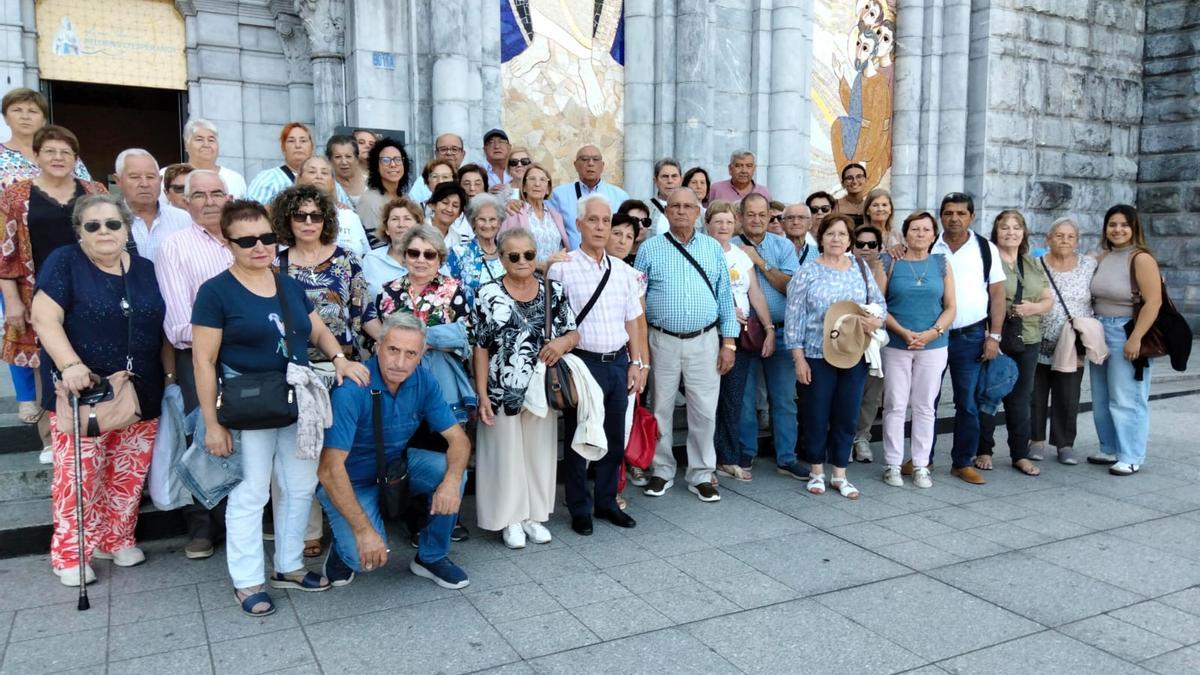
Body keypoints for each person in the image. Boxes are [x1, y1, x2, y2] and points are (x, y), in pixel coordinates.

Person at [192, 199, 369, 617]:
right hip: (247, 404)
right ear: (228, 242)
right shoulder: (215, 291)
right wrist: (212, 424)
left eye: (267, 237)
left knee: (299, 485)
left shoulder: (287, 284)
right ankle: (247, 579)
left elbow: (318, 328)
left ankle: (288, 566)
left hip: (296, 400)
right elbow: (203, 361)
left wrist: (340, 358)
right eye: (247, 240)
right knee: (251, 493)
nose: (260, 247)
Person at [30, 194, 168, 584]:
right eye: (93, 225)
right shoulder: (65, 262)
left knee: (128, 471)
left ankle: (116, 537)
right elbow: (44, 317)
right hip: (84, 390)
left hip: (140, 388)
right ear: (80, 232)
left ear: (126, 228)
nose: (104, 232)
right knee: (79, 476)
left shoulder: (144, 268)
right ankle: (71, 553)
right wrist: (70, 364)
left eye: (112, 224)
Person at [317, 313, 472, 589]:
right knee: (362, 559)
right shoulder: (353, 388)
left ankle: (431, 557)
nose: (400, 363)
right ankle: (343, 550)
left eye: (410, 353)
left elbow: (458, 440)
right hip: (350, 480)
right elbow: (329, 469)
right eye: (393, 350)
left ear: (422, 354)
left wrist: (450, 483)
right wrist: (364, 532)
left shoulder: (424, 380)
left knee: (454, 474)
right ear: (377, 346)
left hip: (394, 468)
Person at [0, 125, 107, 461]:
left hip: (89, 287)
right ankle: (51, 438)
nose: (58, 158)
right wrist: (13, 300)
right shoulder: (16, 195)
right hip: (36, 291)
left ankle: (97, 424)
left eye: (65, 152)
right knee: (43, 363)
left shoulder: (93, 189)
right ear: (37, 155)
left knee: (91, 353)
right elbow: (5, 250)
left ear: (76, 158)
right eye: (50, 151)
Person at [472, 227, 579, 548]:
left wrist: (561, 343)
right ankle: (510, 519)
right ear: (502, 258)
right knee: (503, 455)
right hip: (501, 387)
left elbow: (574, 333)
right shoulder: (487, 292)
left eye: (529, 255)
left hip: (542, 387)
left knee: (538, 453)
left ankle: (534, 516)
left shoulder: (554, 290)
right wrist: (481, 395)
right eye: (514, 256)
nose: (522, 261)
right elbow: (480, 346)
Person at [547, 194, 645, 535]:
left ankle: (606, 502)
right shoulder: (562, 267)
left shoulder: (622, 271)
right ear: (579, 225)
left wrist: (638, 363)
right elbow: (553, 320)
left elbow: (633, 320)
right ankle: (579, 507)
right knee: (578, 437)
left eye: (606, 220)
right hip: (582, 364)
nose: (601, 227)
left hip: (618, 363)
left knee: (614, 438)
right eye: (594, 220)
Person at [635, 187, 739, 502]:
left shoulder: (712, 248)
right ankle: (662, 471)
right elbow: (636, 302)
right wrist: (640, 347)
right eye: (675, 206)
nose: (681, 211)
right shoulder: (649, 249)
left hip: (705, 340)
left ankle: (701, 474)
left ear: (698, 212)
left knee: (705, 411)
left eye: (688, 206)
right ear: (666, 212)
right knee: (661, 408)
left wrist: (729, 343)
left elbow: (725, 296)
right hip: (661, 340)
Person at [154, 169, 234, 559]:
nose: (209, 201)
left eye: (217, 193)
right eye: (199, 195)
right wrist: (231, 331)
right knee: (203, 436)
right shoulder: (175, 246)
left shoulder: (245, 240)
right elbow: (178, 325)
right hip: (198, 356)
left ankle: (243, 516)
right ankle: (202, 525)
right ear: (185, 202)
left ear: (229, 197)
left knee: (249, 433)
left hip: (247, 358)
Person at [784, 214, 885, 500]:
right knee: (816, 414)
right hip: (816, 354)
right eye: (831, 234)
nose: (836, 239)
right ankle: (817, 470)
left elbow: (880, 304)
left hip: (853, 353)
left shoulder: (860, 268)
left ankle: (840, 472)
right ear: (821, 237)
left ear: (850, 239)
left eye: (842, 234)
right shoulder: (808, 271)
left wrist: (875, 321)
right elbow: (794, 318)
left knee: (846, 414)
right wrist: (798, 358)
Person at [923, 192, 1006, 485]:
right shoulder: (929, 244)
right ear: (941, 216)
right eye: (948, 213)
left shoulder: (986, 249)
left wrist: (994, 336)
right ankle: (923, 460)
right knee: (926, 400)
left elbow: (997, 294)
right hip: (933, 335)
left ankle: (962, 461)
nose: (954, 218)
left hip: (971, 335)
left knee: (967, 402)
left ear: (971, 216)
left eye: (960, 213)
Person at [880, 212, 955, 488]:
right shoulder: (890, 261)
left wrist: (931, 333)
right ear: (905, 233)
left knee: (925, 407)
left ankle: (921, 464)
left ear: (934, 235)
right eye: (915, 229)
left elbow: (950, 307)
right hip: (897, 343)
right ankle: (892, 463)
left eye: (926, 229)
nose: (920, 234)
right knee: (895, 405)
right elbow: (879, 304)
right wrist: (902, 331)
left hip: (933, 345)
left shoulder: (941, 263)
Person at [734, 193, 805, 479]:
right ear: (740, 216)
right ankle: (745, 453)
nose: (756, 219)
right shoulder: (729, 246)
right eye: (750, 214)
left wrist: (759, 262)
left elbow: (792, 288)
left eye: (762, 214)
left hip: (782, 329)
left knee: (784, 398)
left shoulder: (783, 246)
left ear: (769, 217)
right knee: (745, 398)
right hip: (743, 332)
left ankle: (786, 457)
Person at [702, 202, 775, 482]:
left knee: (733, 398)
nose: (723, 226)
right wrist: (724, 308)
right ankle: (704, 460)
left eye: (728, 222)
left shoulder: (741, 256)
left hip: (741, 335)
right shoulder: (700, 252)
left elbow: (755, 294)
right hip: (710, 334)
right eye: (717, 221)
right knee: (706, 400)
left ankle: (727, 458)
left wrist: (768, 328)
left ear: (736, 226)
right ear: (707, 224)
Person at [976, 210, 1051, 476]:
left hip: (1027, 338)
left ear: (1024, 232)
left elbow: (1047, 299)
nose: (1011, 232)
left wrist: (1034, 308)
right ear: (996, 232)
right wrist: (988, 335)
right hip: (995, 337)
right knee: (988, 394)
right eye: (1005, 227)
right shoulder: (986, 260)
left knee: (1020, 399)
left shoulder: (1032, 264)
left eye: (1016, 227)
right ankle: (983, 449)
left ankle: (1020, 453)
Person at [1088, 204, 1161, 476]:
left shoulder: (1140, 258)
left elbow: (1154, 303)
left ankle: (1131, 455)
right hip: (1099, 329)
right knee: (1102, 395)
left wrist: (1136, 338)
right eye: (1112, 224)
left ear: (1134, 228)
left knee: (1127, 396)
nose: (1117, 229)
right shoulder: (1104, 256)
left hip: (1126, 330)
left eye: (1124, 225)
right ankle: (1109, 447)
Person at [271, 184, 380, 365]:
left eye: (316, 216)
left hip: (344, 364)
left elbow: (365, 312)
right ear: (287, 220)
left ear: (325, 220)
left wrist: (388, 343)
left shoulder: (347, 259)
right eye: (299, 216)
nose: (308, 222)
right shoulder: (275, 265)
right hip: (294, 366)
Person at [1031, 217, 1097, 465]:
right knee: (1035, 393)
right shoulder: (1036, 264)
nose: (1064, 240)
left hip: (1072, 342)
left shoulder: (1089, 265)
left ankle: (1064, 444)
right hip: (1039, 337)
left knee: (1068, 394)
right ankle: (1035, 440)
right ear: (1048, 239)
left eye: (1070, 236)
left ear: (1077, 241)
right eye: (1059, 235)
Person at [849, 223, 890, 463]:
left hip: (877, 339)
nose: (865, 248)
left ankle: (862, 437)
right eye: (860, 244)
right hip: (851, 336)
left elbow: (884, 302)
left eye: (871, 244)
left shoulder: (886, 266)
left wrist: (878, 270)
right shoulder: (847, 268)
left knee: (872, 392)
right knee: (848, 392)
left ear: (879, 247)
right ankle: (844, 438)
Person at [0, 88, 91, 192]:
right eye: (17, 110)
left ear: (44, 120)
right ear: (5, 118)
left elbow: (89, 193)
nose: (25, 117)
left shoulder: (65, 155)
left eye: (33, 111)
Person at [247, 122, 350, 206]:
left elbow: (349, 214)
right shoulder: (267, 178)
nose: (298, 145)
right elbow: (251, 212)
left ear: (312, 147)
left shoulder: (329, 181)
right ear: (283, 148)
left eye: (303, 141)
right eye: (291, 141)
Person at [115, 149, 191, 263]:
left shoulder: (183, 220)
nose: (144, 184)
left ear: (160, 180)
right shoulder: (107, 221)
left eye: (151, 177)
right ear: (118, 181)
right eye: (135, 177)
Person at [547, 144, 630, 248]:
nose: (590, 163)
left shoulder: (620, 196)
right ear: (575, 165)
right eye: (584, 159)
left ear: (602, 165)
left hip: (608, 260)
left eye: (595, 159)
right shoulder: (558, 195)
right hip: (571, 259)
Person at [295, 156, 371, 258]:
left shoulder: (349, 216)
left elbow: (367, 255)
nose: (319, 176)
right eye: (312, 172)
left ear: (332, 182)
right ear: (300, 178)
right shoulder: (290, 215)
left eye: (325, 173)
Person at [502, 163, 571, 266]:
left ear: (548, 189)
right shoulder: (514, 212)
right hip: (528, 276)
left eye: (543, 180)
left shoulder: (555, 215)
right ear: (524, 187)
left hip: (557, 276)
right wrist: (541, 265)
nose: (537, 184)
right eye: (532, 179)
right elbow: (504, 251)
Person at [354, 137, 413, 249]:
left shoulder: (406, 198)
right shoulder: (369, 200)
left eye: (397, 159)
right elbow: (376, 244)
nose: (393, 165)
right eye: (386, 160)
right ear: (376, 166)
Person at [362, 197, 424, 299]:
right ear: (386, 229)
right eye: (395, 219)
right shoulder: (371, 260)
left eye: (407, 219)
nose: (401, 224)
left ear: (418, 226)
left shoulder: (431, 257)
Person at [448, 193, 507, 294]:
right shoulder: (458, 253)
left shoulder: (509, 253)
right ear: (473, 222)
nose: (487, 225)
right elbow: (448, 291)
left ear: (499, 222)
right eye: (482, 219)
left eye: (492, 219)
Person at [177, 118, 247, 199]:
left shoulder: (235, 179)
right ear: (186, 145)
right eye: (199, 139)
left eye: (211, 140)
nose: (206, 145)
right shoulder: (169, 175)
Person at [410, 134, 466, 204]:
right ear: (436, 154)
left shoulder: (468, 179)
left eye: (454, 149)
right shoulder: (422, 182)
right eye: (443, 149)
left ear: (463, 154)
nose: (449, 153)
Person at [427, 182, 472, 248]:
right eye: (445, 203)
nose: (449, 209)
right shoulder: (418, 230)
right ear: (433, 205)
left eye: (455, 205)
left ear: (459, 214)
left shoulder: (457, 240)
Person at [326, 134, 367, 206]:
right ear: (330, 160)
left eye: (348, 156)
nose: (344, 162)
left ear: (356, 159)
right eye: (338, 157)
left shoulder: (371, 184)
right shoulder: (327, 187)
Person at [647, 158, 682, 235]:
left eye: (674, 176)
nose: (670, 181)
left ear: (681, 180)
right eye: (665, 176)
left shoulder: (693, 208)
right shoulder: (644, 208)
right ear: (655, 181)